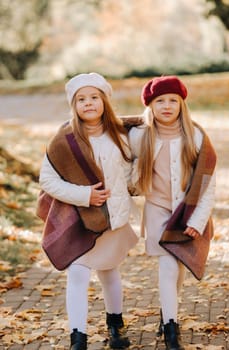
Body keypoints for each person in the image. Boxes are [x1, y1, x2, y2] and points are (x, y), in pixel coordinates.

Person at [38, 72, 139, 350]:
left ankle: (115, 326)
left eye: (94, 97)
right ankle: (78, 337)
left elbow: (130, 173)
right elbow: (47, 180)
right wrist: (85, 195)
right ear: (74, 105)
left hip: (112, 219)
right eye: (81, 99)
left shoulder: (120, 135)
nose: (89, 103)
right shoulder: (63, 140)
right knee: (78, 273)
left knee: (109, 272)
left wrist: (138, 183)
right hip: (81, 218)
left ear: (105, 101)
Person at [128, 76, 216, 350]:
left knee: (177, 266)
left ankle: (169, 313)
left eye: (173, 101)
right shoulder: (138, 136)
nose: (167, 106)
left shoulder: (195, 136)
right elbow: (126, 174)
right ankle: (171, 329)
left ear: (182, 104)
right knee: (167, 265)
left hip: (185, 210)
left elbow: (207, 183)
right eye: (160, 101)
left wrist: (198, 220)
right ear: (150, 106)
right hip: (156, 208)